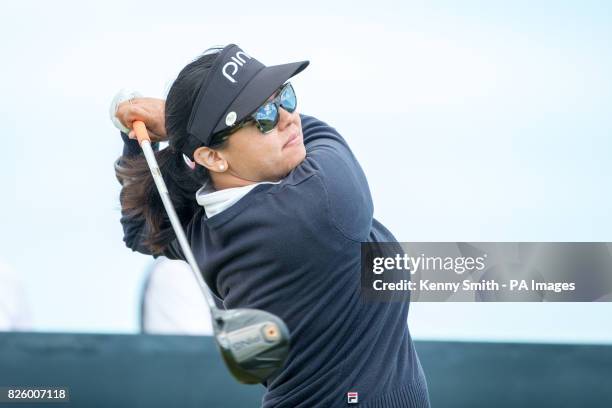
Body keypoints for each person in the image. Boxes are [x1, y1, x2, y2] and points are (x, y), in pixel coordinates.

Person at [113, 44, 430, 407]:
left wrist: (142, 138)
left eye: (285, 97)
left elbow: (140, 228)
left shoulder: (203, 228)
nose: (286, 118)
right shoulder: (322, 201)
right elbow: (319, 135)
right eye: (262, 115)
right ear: (212, 157)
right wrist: (173, 122)